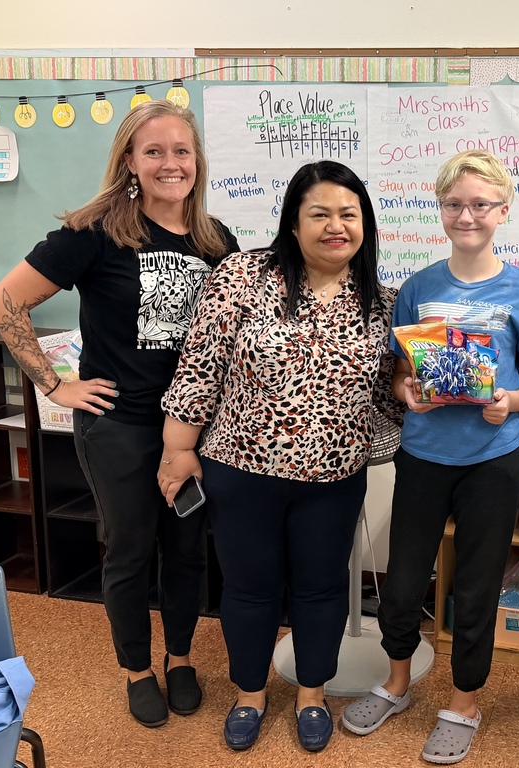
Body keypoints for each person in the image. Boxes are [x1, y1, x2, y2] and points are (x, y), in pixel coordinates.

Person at [0, 100, 239, 728]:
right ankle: (137, 670)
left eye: (182, 151)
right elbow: (4, 301)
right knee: (130, 551)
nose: (170, 163)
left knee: (187, 549)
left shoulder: (216, 240)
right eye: (153, 151)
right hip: (121, 427)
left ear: (197, 161)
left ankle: (180, 658)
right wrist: (55, 385)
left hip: (196, 429)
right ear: (129, 160)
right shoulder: (94, 231)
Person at [157, 159, 402, 753]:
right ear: (293, 222)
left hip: (334, 476)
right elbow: (200, 367)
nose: (334, 225)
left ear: (365, 224)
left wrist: (420, 395)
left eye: (349, 213)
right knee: (249, 588)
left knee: (321, 590)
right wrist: (177, 448)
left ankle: (311, 694)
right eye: (319, 213)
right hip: (241, 470)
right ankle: (250, 694)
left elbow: (388, 393)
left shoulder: (382, 302)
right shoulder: (242, 276)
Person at [340, 150, 519, 765]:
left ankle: (464, 701)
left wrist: (511, 403)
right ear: (440, 209)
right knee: (403, 582)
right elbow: (403, 371)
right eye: (455, 204)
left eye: (481, 204)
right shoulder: (420, 287)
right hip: (424, 456)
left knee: (478, 587)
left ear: (503, 211)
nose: (467, 214)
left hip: (494, 458)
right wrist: (408, 393)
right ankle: (398, 682)